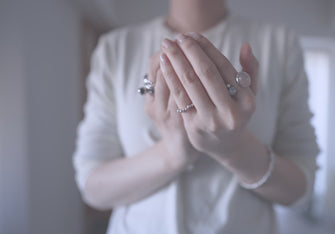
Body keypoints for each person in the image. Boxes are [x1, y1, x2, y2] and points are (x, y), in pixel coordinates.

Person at [73, 0, 319, 233]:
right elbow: (92, 186)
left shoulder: (279, 44)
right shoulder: (116, 48)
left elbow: (301, 189)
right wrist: (173, 153)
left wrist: (234, 149)